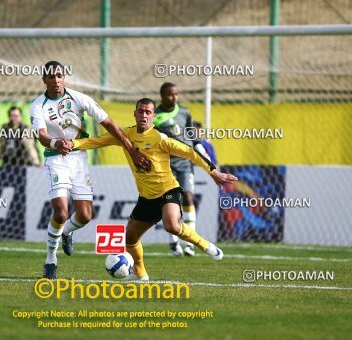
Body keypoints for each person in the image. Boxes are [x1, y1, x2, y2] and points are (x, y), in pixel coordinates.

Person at [59, 98, 238, 280]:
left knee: (172, 225)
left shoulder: (160, 139)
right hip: (146, 198)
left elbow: (190, 152)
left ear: (153, 116)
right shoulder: (125, 136)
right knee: (129, 238)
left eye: (148, 112)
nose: (144, 115)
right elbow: (96, 141)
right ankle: (141, 275)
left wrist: (213, 172)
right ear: (135, 114)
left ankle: (205, 245)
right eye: (141, 111)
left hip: (169, 191)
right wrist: (73, 144)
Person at [29, 60, 151, 279]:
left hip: (79, 159)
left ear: (64, 77)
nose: (56, 80)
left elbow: (109, 123)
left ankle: (66, 232)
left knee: (85, 215)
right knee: (61, 211)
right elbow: (42, 136)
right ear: (44, 80)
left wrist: (131, 149)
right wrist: (57, 143)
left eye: (59, 76)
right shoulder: (38, 105)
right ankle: (50, 260)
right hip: (56, 159)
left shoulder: (78, 98)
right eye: (51, 77)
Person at [154, 83, 197, 257]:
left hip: (185, 164)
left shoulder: (185, 112)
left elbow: (190, 135)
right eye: (171, 94)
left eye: (176, 94)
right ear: (162, 96)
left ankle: (190, 243)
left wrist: (195, 152)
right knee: (171, 202)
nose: (174, 97)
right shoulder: (155, 116)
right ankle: (174, 244)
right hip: (166, 165)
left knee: (188, 197)